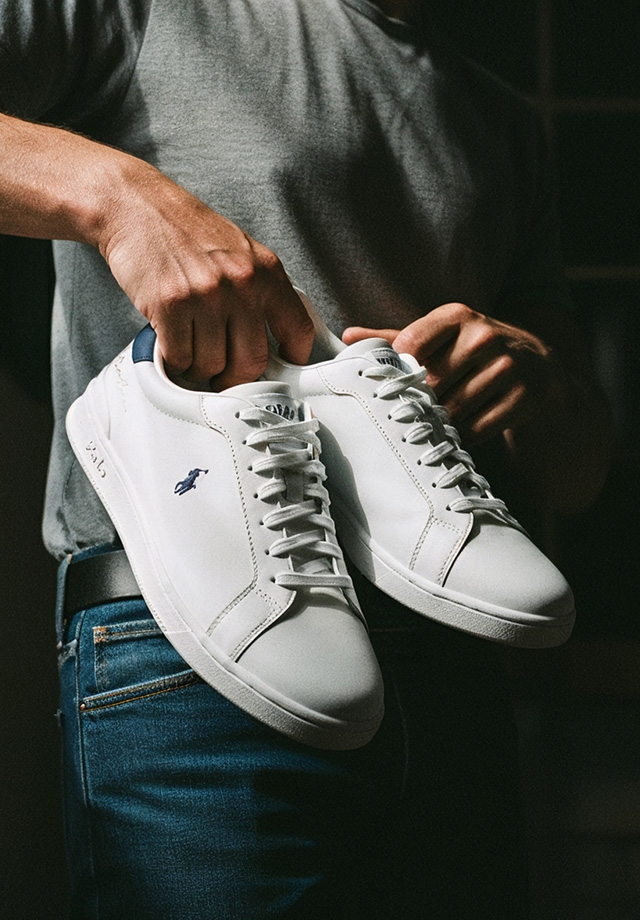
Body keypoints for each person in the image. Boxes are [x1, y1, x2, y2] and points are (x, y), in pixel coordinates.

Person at [0, 1, 611, 917]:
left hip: (454, 645)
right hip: (190, 635)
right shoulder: (134, 13)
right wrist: (119, 197)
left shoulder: (503, 120)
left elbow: (581, 471)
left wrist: (540, 384)